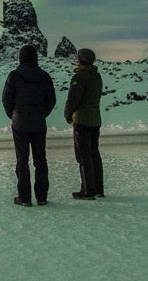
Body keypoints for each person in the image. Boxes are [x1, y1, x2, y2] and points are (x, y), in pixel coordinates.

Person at [2, 44, 56, 207]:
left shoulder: (14, 75)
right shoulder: (44, 76)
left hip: (20, 123)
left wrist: (13, 115)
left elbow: (6, 99)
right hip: (39, 123)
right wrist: (42, 113)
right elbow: (51, 100)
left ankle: (25, 198)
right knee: (40, 160)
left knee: (22, 160)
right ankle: (42, 197)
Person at [63, 48, 103, 200]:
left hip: (81, 120)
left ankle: (87, 190)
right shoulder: (97, 76)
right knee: (94, 154)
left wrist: (67, 114)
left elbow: (73, 99)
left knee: (83, 156)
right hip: (95, 119)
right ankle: (98, 188)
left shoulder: (79, 77)